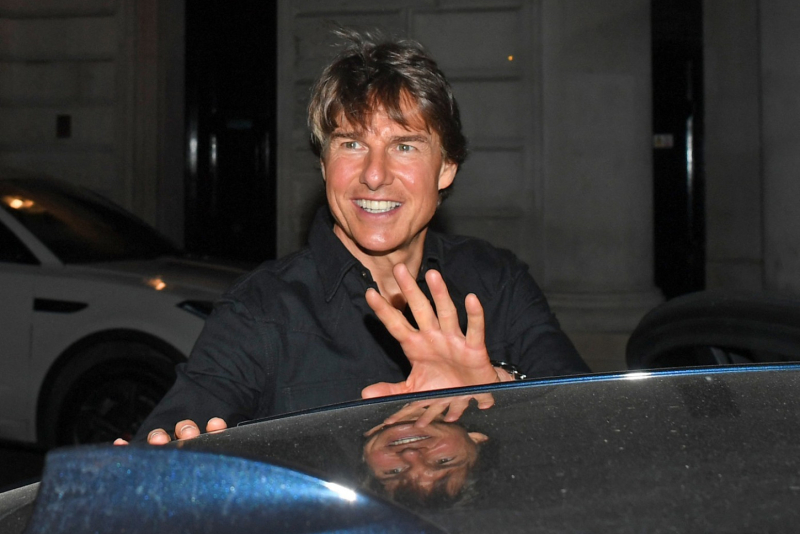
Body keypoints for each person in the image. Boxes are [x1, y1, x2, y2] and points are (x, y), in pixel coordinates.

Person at [121, 28, 589, 446]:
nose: (374, 174)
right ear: (325, 164)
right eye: (351, 144)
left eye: (404, 145)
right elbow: (178, 438)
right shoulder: (261, 311)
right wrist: (157, 474)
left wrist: (496, 388)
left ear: (446, 168)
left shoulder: (497, 282)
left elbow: (593, 428)